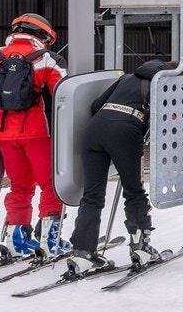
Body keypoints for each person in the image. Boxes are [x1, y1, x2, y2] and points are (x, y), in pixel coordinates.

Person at [67, 61, 166, 274]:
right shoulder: (163, 85)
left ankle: (83, 253)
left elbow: (95, 105)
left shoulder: (126, 78)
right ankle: (141, 248)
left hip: (94, 130)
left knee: (91, 195)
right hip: (125, 131)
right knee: (133, 190)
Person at [0, 12, 68, 262]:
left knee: (19, 185)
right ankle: (50, 240)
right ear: (44, 36)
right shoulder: (46, 59)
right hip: (37, 132)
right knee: (50, 184)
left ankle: (16, 239)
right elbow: (64, 94)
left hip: (2, 134)